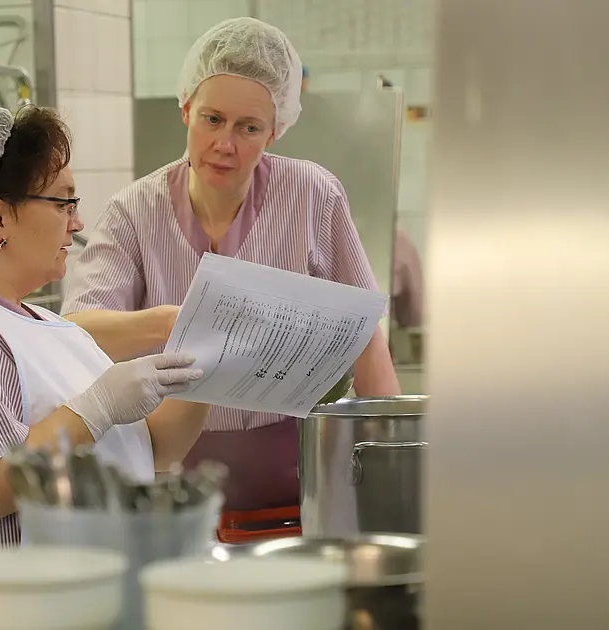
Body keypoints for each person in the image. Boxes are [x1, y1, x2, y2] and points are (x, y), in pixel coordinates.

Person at [61, 17, 400, 532]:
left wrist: (390, 463)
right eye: (212, 119)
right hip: (170, 478)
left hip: (301, 477)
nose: (226, 143)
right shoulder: (135, 211)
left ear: (276, 129)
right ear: (185, 110)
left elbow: (365, 337)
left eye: (249, 127)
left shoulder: (313, 195)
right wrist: (171, 324)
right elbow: (77, 330)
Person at [0, 106, 209, 630]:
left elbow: (156, 450)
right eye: (63, 203)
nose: (77, 223)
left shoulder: (42, 325)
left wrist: (212, 359)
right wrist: (95, 409)